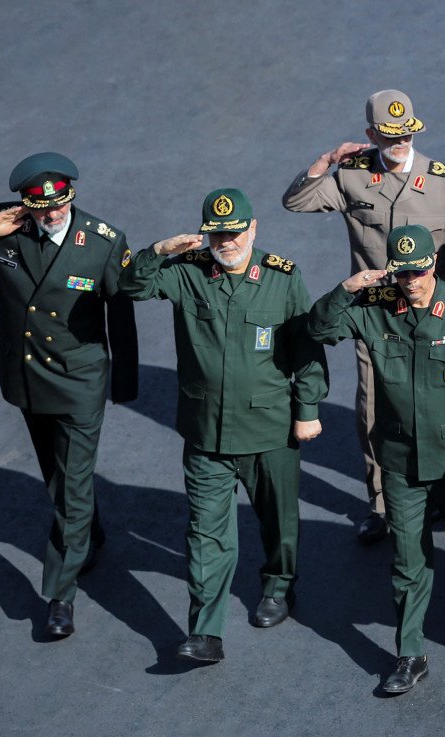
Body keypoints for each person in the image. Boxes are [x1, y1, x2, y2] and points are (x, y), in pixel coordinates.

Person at [0, 152, 138, 638]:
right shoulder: (6, 226)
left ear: (71, 197)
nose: (53, 214)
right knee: (56, 473)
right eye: (42, 207)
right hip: (27, 376)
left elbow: (121, 316)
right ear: (27, 204)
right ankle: (90, 534)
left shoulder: (103, 241)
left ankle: (60, 595)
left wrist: (123, 383)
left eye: (60, 204)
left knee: (71, 487)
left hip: (79, 380)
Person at [119, 188, 327, 662]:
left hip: (269, 429)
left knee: (278, 519)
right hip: (205, 431)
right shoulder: (187, 271)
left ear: (253, 229)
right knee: (205, 532)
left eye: (234, 233)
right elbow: (130, 288)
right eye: (216, 235)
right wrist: (159, 250)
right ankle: (205, 632)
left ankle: (278, 586)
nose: (225, 242)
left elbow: (307, 348)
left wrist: (308, 410)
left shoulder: (282, 278)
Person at [307, 224, 445, 694]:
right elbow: (319, 328)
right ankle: (410, 652)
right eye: (402, 273)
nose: (411, 281)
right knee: (407, 556)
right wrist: (347, 288)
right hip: (400, 458)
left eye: (418, 271)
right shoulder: (376, 307)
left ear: (433, 264)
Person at [283, 89, 445, 546]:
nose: (401, 142)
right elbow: (296, 202)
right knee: (373, 407)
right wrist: (326, 161)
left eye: (408, 133)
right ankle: (382, 503)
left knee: (442, 403)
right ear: (371, 135)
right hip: (377, 315)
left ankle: (441, 491)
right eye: (390, 136)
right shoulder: (351, 176)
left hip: (434, 313)